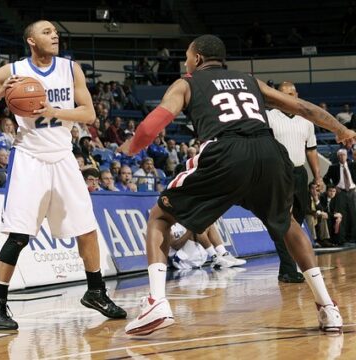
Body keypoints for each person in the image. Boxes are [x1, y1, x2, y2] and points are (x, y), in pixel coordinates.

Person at [119, 34, 354, 335]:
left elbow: (152, 126)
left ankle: (156, 301)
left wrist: (132, 147)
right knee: (289, 223)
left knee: (161, 215)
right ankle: (327, 308)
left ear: (198, 59)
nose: (187, 62)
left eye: (188, 57)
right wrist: (340, 128)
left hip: (225, 151)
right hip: (269, 151)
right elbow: (301, 107)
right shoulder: (249, 80)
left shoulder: (186, 83)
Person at [0, 20, 126, 330]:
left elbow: (89, 114)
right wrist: (0, 91)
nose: (54, 36)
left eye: (55, 32)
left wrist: (54, 111)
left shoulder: (70, 69)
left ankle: (95, 291)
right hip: (30, 159)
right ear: (31, 40)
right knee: (19, 234)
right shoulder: (13, 69)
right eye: (46, 32)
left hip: (64, 157)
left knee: (87, 228)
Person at [267, 81, 323, 283]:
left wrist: (317, 177)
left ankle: (285, 269)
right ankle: (290, 270)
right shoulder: (270, 117)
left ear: (297, 94)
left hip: (300, 173)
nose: (289, 97)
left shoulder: (306, 119)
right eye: (284, 94)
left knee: (297, 221)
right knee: (284, 221)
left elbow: (312, 150)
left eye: (291, 94)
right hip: (279, 172)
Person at [170, 223, 246, 270]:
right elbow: (175, 246)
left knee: (207, 222)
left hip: (195, 256)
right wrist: (190, 230)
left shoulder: (184, 219)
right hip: (181, 261)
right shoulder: (167, 225)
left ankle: (224, 254)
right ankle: (215, 257)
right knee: (197, 226)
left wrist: (191, 229)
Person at [324, 148, 356, 244]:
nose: (342, 157)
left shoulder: (353, 165)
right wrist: (333, 187)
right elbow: (325, 178)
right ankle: (343, 238)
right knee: (342, 215)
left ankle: (353, 237)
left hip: (353, 191)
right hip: (340, 192)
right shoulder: (333, 167)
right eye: (340, 155)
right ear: (338, 157)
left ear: (347, 156)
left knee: (353, 214)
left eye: (344, 155)